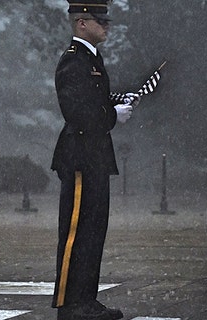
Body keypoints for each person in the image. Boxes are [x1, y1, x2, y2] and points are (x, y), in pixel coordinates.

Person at [50, 1, 139, 319]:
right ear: (81, 23)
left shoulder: (91, 59)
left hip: (95, 157)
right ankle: (70, 304)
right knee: (76, 232)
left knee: (93, 231)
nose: (106, 26)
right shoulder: (74, 61)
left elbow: (93, 101)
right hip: (80, 157)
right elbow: (78, 112)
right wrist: (112, 115)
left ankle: (86, 300)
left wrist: (115, 103)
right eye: (100, 21)